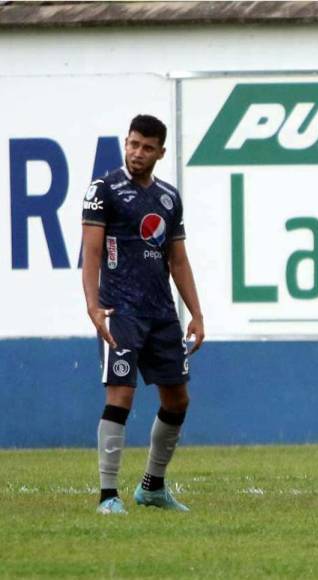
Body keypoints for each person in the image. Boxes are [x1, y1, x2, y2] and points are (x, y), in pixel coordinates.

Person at [82, 114, 204, 514]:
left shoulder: (169, 198)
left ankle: (152, 486)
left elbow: (179, 260)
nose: (138, 153)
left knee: (177, 399)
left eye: (147, 147)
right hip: (120, 310)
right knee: (121, 393)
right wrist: (94, 306)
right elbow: (93, 252)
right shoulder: (104, 189)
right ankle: (107, 495)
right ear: (126, 143)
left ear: (160, 152)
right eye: (133, 144)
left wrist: (196, 314)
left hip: (162, 313)